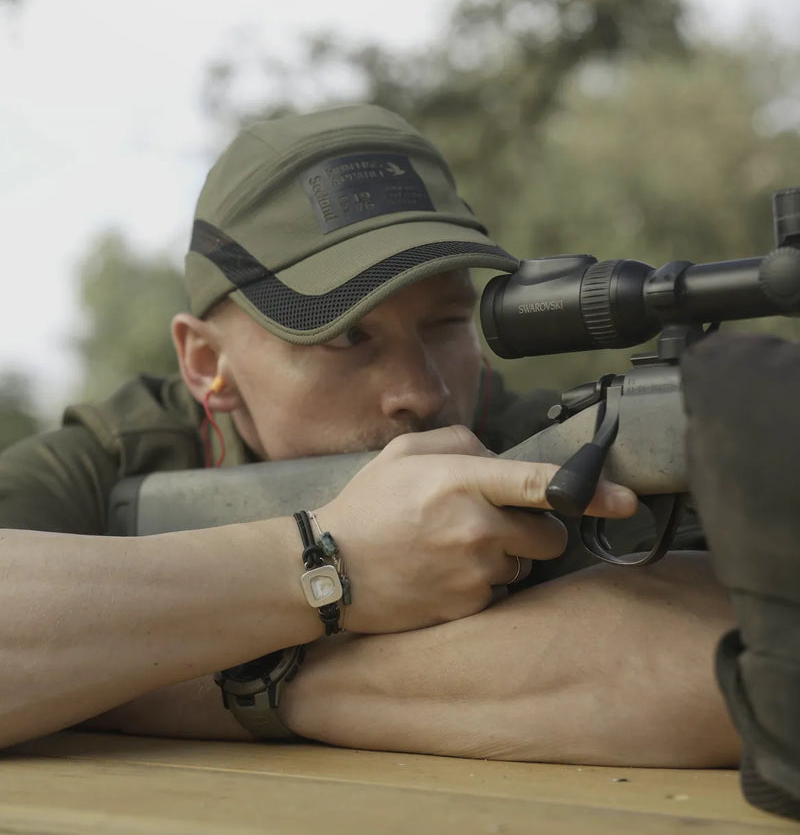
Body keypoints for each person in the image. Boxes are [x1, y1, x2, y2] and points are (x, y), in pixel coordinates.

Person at [0, 104, 738, 766]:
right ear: (206, 363)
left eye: (448, 324)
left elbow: (725, 667)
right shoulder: (122, 454)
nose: (423, 391)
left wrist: (210, 678)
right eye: (347, 335)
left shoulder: (537, 442)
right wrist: (329, 563)